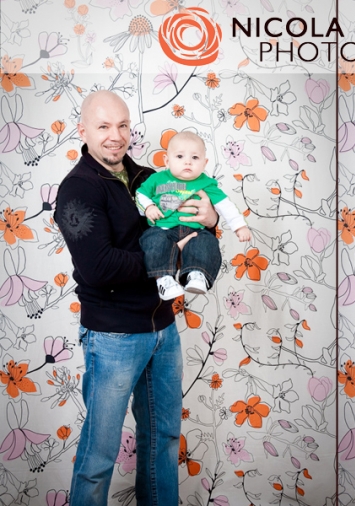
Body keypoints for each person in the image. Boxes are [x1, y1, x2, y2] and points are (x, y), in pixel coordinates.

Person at [55, 90, 218, 506]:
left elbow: (190, 226)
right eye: (104, 126)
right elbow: (99, 267)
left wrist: (212, 218)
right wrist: (168, 256)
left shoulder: (149, 177)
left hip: (163, 329)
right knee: (99, 454)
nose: (116, 136)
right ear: (83, 131)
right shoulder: (78, 188)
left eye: (123, 125)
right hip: (113, 336)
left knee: (164, 440)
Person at [136, 131, 251, 300]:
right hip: (163, 229)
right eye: (180, 156)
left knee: (206, 241)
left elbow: (226, 206)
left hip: (194, 231)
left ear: (204, 163)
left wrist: (240, 226)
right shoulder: (156, 179)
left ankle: (197, 274)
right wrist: (148, 207)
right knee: (153, 240)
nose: (187, 162)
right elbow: (140, 194)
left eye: (195, 157)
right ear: (167, 161)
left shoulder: (206, 184)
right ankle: (164, 279)